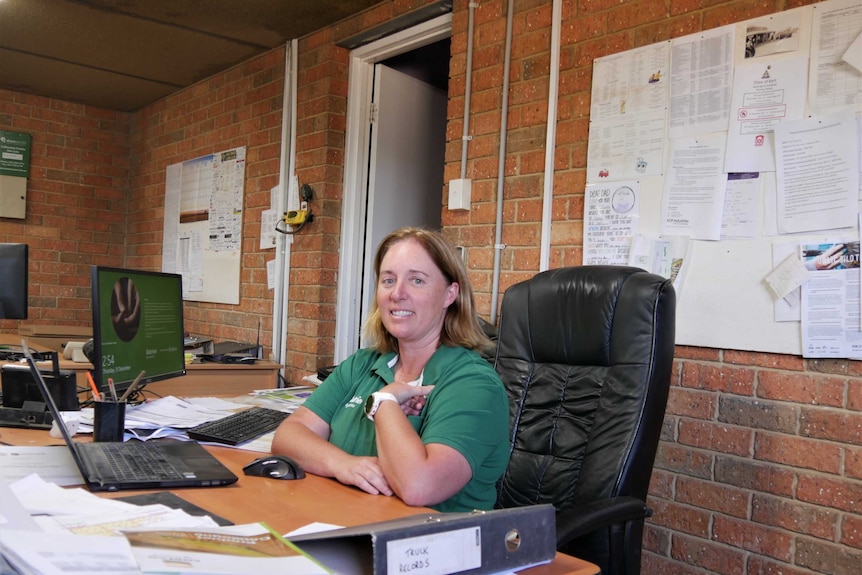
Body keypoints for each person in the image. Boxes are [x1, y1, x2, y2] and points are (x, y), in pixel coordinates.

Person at [271, 227, 509, 512]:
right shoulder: (363, 363)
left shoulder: (473, 384)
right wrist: (343, 465)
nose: (397, 293)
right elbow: (289, 435)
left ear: (449, 294)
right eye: (388, 280)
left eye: (417, 280)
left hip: (432, 545)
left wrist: (383, 403)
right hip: (342, 521)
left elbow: (419, 486)